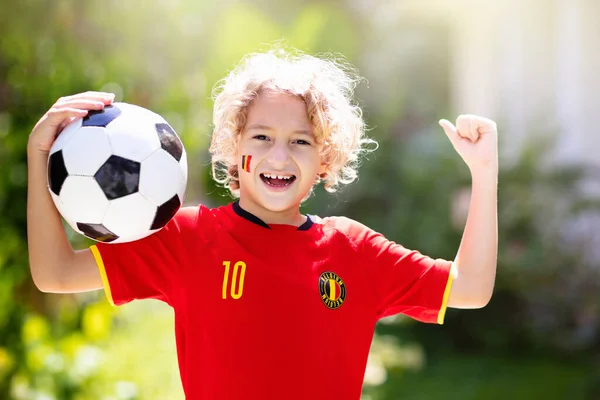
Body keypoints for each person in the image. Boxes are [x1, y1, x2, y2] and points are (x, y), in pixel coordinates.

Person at [27, 48, 498, 399]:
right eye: (262, 136)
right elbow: (56, 274)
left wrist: (483, 173)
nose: (279, 155)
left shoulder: (355, 251)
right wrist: (38, 156)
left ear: (325, 159)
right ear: (235, 148)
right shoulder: (188, 239)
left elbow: (470, 288)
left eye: (300, 141)